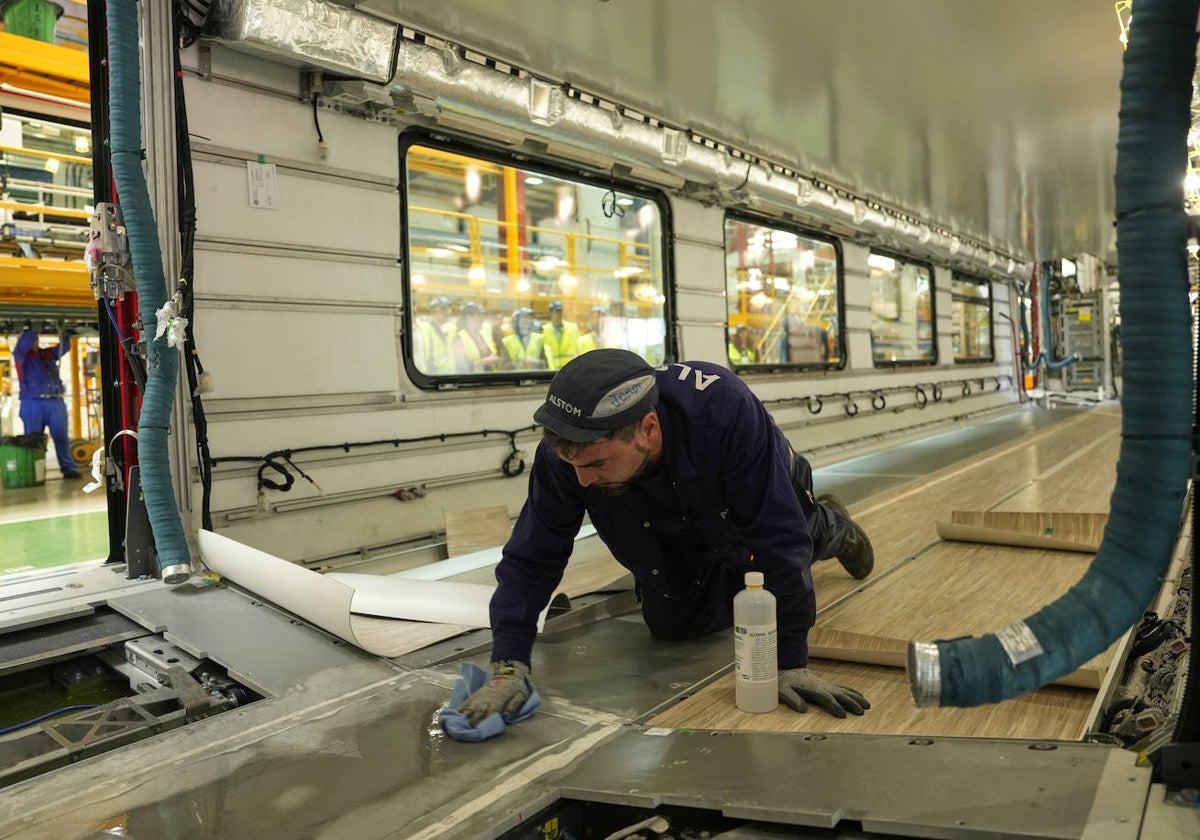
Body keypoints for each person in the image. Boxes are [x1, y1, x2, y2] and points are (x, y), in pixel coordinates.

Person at [459, 349, 874, 725]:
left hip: (756, 495)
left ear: (649, 429)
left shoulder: (725, 412)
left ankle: (834, 526)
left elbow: (779, 541)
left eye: (597, 463)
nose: (582, 480)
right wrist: (508, 664)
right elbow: (533, 555)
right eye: (575, 467)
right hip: (662, 512)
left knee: (774, 549)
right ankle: (733, 571)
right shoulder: (570, 455)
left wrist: (785, 662)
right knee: (676, 627)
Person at [13, 327, 80, 478]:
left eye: (36, 339)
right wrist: (34, 329)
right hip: (32, 403)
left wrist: (65, 334)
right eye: (32, 340)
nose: (35, 342)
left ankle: (68, 469)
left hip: (55, 401)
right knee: (33, 440)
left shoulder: (46, 354)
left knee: (61, 437)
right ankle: (32, 471)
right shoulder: (20, 356)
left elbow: (63, 348)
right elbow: (23, 344)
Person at [452, 302, 502, 373]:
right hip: (471, 380)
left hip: (488, 376)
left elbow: (490, 353)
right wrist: (484, 361)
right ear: (468, 316)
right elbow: (461, 365)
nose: (482, 318)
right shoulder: (459, 338)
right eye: (479, 315)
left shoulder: (482, 334)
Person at [413, 297, 457, 375]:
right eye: (443, 310)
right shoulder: (424, 328)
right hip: (432, 376)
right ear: (433, 312)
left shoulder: (452, 329)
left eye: (448, 310)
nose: (447, 313)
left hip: (451, 375)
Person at [541, 300, 580, 370]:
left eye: (560, 311)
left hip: (570, 370)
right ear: (550, 313)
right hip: (551, 371)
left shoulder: (573, 328)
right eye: (556, 311)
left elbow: (578, 349)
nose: (559, 314)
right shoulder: (543, 330)